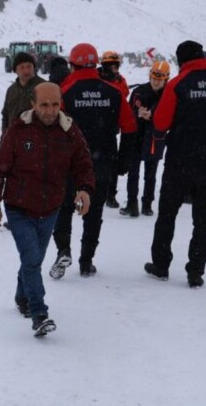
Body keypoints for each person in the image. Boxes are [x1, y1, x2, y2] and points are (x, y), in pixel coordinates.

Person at [0, 82, 95, 337]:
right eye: (44, 104)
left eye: (55, 104)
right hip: (18, 208)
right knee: (33, 260)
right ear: (33, 104)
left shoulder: (69, 131)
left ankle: (21, 297)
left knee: (31, 259)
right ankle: (39, 314)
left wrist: (84, 189)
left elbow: (83, 163)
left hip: (51, 208)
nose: (50, 110)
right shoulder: (17, 131)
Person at [144, 40, 206, 288]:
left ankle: (161, 265)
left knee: (167, 214)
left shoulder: (177, 84)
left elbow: (161, 123)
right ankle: (196, 270)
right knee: (203, 218)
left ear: (180, 61)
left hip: (180, 162)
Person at [49, 43, 136, 279]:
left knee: (64, 208)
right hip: (101, 161)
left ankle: (63, 249)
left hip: (69, 162)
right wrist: (123, 160)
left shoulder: (63, 92)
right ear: (95, 64)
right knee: (94, 211)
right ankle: (86, 261)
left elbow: (52, 129)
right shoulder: (114, 91)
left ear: (72, 64)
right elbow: (130, 128)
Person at [120, 61, 171, 217]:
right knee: (133, 172)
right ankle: (132, 204)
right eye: (154, 77)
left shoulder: (169, 94)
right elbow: (128, 114)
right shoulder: (139, 92)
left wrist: (153, 115)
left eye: (160, 78)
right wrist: (138, 114)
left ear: (166, 79)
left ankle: (147, 205)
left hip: (155, 138)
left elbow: (171, 115)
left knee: (151, 173)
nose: (156, 81)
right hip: (137, 136)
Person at [98, 50, 130, 209]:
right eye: (111, 65)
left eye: (116, 65)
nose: (114, 68)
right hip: (93, 126)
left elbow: (124, 93)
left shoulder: (120, 80)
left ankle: (111, 195)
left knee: (111, 163)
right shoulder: (95, 78)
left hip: (110, 127)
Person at [1, 52, 45, 132]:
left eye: (29, 66)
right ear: (16, 70)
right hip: (13, 137)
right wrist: (5, 135)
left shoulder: (43, 87)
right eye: (22, 67)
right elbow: (5, 115)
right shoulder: (11, 90)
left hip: (36, 138)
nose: (26, 71)